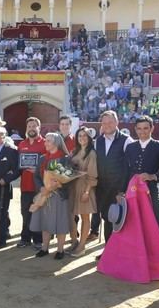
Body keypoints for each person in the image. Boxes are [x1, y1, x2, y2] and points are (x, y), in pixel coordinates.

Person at [124, 115, 159, 239]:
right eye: (139, 128)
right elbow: (126, 171)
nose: (142, 131)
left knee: (157, 220)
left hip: (151, 190)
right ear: (135, 129)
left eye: (145, 128)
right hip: (132, 191)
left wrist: (153, 176)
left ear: (152, 128)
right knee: (133, 222)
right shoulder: (130, 147)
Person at [91, 110, 133, 243]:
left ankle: (118, 252)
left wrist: (124, 190)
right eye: (104, 123)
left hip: (119, 190)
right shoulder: (97, 141)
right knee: (107, 218)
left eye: (110, 122)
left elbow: (131, 168)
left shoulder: (127, 141)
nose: (107, 125)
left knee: (120, 220)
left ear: (117, 122)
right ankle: (109, 251)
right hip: (102, 189)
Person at [30, 133, 72, 260]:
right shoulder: (43, 158)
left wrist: (58, 184)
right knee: (45, 222)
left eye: (48, 141)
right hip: (44, 195)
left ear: (56, 143)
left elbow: (69, 178)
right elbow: (36, 176)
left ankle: (60, 250)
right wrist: (42, 188)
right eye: (46, 140)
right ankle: (45, 248)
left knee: (60, 223)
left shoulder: (65, 159)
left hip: (59, 196)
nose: (45, 143)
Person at [16, 117, 46, 249]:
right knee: (25, 212)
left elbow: (50, 163)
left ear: (39, 128)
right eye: (29, 126)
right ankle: (25, 238)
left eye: (34, 126)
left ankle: (38, 239)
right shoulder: (22, 144)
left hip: (40, 186)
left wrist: (38, 170)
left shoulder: (46, 143)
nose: (32, 128)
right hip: (25, 186)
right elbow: (18, 164)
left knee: (39, 212)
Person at [69, 126, 98, 257]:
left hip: (85, 188)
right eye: (80, 136)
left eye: (84, 136)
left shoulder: (92, 153)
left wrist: (87, 192)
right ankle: (75, 242)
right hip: (73, 187)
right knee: (73, 216)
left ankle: (82, 246)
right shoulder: (74, 151)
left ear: (89, 138)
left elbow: (92, 175)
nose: (82, 138)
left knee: (85, 217)